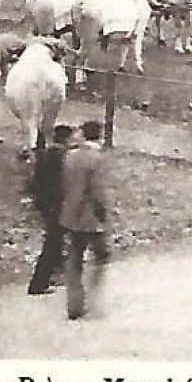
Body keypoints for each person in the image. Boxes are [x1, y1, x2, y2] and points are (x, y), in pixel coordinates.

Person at [60, 119, 113, 321]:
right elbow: (98, 190)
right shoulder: (98, 159)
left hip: (72, 215)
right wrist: (104, 213)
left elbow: (65, 185)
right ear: (98, 136)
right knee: (102, 256)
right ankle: (94, 299)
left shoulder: (70, 156)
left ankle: (74, 303)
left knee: (74, 257)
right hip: (92, 217)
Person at [27, 123, 76, 296]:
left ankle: (54, 274)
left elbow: (34, 181)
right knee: (53, 242)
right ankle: (40, 282)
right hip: (58, 203)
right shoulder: (62, 156)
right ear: (66, 139)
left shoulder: (44, 155)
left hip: (46, 203)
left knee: (55, 240)